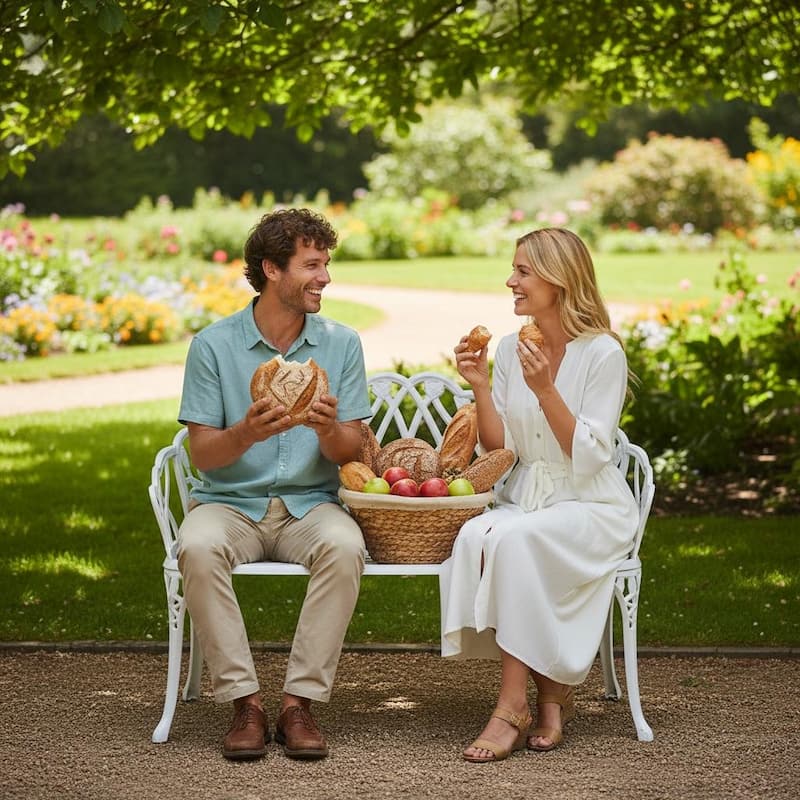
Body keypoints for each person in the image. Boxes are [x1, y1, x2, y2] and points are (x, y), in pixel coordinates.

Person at [176, 208, 370, 761]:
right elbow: (205, 456)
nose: (325, 278)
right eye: (312, 265)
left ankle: (298, 704)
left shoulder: (341, 343)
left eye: (326, 264)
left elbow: (350, 449)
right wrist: (245, 432)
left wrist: (330, 428)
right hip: (230, 502)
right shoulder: (213, 346)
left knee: (345, 545)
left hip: (311, 505)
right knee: (196, 544)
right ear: (271, 269)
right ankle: (246, 704)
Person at [439, 227, 639, 763]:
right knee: (482, 533)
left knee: (518, 541)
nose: (511, 281)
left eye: (523, 271)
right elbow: (499, 447)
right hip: (527, 496)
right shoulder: (510, 347)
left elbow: (590, 456)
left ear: (559, 279)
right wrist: (481, 385)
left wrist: (546, 389)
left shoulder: (603, 354)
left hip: (590, 503)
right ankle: (553, 695)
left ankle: (512, 706)